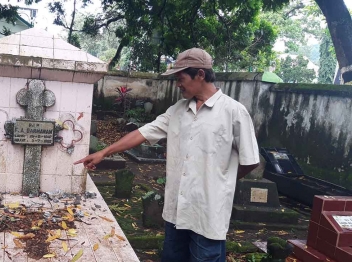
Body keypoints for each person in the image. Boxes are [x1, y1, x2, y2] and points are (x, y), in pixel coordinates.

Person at [74, 48, 260, 262]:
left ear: (200, 75)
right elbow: (142, 133)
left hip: (207, 213)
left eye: (181, 78)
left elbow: (250, 161)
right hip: (176, 212)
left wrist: (222, 182)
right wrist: (104, 152)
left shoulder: (234, 112)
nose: (177, 84)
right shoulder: (178, 110)